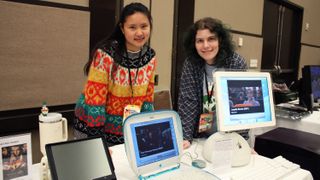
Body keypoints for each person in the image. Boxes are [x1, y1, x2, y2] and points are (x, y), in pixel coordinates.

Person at [74, 2, 156, 144]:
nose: (139, 33)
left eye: (144, 26)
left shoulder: (150, 56)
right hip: (93, 125)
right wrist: (97, 142)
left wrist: (147, 130)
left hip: (126, 127)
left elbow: (148, 99)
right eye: (132, 27)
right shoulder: (106, 54)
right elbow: (95, 103)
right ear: (122, 29)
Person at [178, 17, 248, 149]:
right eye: (200, 41)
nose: (205, 45)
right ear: (194, 43)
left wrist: (242, 141)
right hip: (201, 136)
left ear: (220, 40)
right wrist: (185, 137)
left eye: (211, 39)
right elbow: (188, 102)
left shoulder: (235, 63)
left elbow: (241, 106)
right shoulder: (191, 64)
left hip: (229, 136)